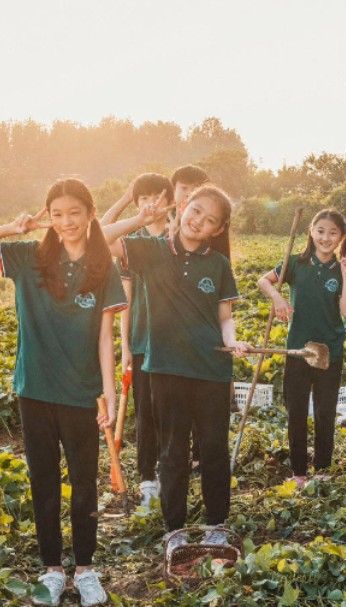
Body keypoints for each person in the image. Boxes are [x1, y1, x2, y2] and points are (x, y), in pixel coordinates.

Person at [102, 185, 251, 557]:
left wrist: (233, 341)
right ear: (183, 207)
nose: (199, 221)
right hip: (166, 368)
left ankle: (217, 524)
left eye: (210, 220)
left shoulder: (218, 264)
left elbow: (225, 317)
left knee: (214, 448)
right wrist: (140, 218)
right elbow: (100, 239)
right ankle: (176, 530)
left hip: (211, 369)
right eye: (195, 211)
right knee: (171, 451)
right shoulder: (150, 251)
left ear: (218, 230)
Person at [0, 179, 127, 606]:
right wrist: (12, 229)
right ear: (47, 217)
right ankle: (52, 568)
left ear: (91, 214)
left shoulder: (102, 266)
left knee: (84, 482)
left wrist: (109, 395)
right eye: (56, 213)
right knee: (43, 481)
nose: (66, 221)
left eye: (74, 212)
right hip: (35, 390)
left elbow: (105, 336)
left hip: (82, 394)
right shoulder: (27, 258)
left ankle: (86, 568)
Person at [257, 209, 346, 487]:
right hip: (298, 351)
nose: (326, 237)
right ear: (311, 231)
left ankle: (322, 469)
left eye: (333, 233)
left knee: (325, 412)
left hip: (329, 352)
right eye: (321, 231)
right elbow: (264, 280)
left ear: (341, 237)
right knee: (296, 412)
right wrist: (277, 298)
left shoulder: (341, 269)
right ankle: (299, 471)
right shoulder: (296, 263)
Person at [100, 173, 174, 508]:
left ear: (169, 201)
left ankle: (171, 472)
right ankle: (147, 478)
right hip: (143, 341)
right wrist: (126, 345)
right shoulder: (132, 240)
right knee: (146, 413)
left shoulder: (179, 238)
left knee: (172, 412)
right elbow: (99, 234)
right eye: (142, 198)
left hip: (175, 344)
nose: (149, 204)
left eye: (155, 197)